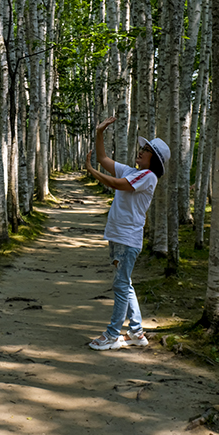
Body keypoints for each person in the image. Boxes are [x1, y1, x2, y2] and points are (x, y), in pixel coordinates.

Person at [85, 116, 170, 351]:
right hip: (118, 236)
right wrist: (99, 133)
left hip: (127, 239)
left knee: (121, 286)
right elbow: (104, 159)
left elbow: (115, 183)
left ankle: (113, 334)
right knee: (126, 284)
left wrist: (91, 171)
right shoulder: (134, 172)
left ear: (155, 160)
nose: (141, 151)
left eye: (146, 150)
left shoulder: (147, 176)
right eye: (142, 148)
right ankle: (136, 332)